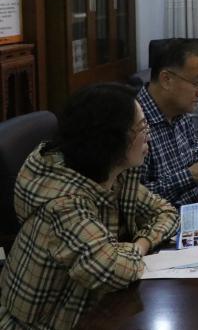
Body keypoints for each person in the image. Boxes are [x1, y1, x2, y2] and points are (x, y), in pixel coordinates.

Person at [0, 83, 179, 330]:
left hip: (91, 307)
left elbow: (166, 212)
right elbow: (111, 271)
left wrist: (141, 242)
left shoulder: (111, 173)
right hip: (45, 323)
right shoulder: (65, 205)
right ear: (110, 140)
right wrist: (137, 248)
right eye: (141, 128)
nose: (149, 135)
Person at [138, 38, 198, 206]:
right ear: (166, 80)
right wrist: (190, 176)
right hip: (167, 219)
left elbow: (193, 159)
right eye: (197, 82)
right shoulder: (134, 123)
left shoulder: (182, 112)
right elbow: (133, 200)